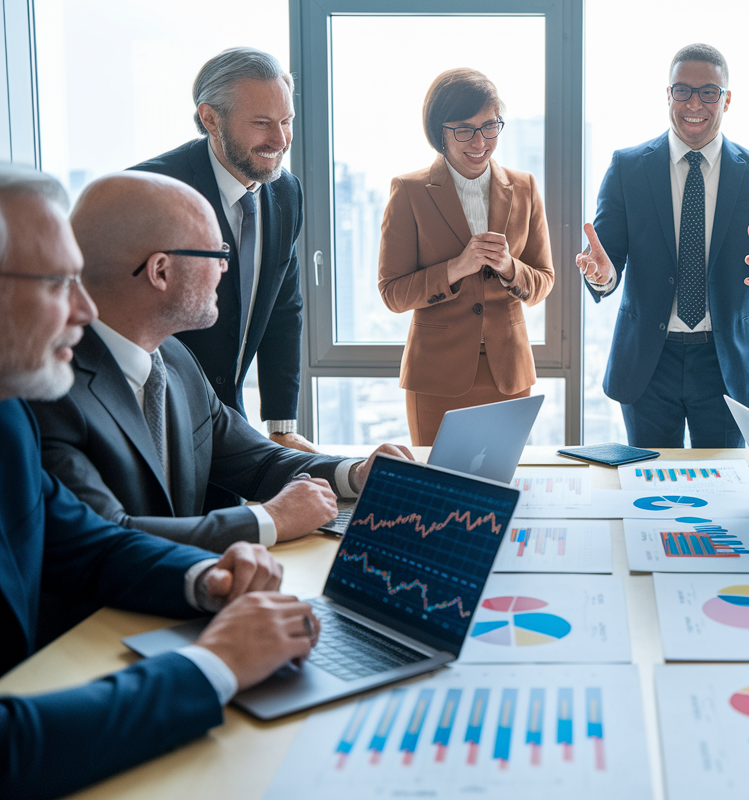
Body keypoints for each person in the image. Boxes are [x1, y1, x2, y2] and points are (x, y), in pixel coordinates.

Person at [0, 163, 321, 800]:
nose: (86, 308)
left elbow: (85, 541)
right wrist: (213, 665)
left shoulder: (8, 416)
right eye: (61, 282)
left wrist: (206, 580)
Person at [29, 172, 412, 554]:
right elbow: (107, 538)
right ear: (160, 271)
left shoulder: (174, 358)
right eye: (217, 254)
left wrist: (357, 474)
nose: (225, 269)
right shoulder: (48, 389)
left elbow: (259, 462)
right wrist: (270, 520)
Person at [577, 43, 749, 448]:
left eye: (708, 92)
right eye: (682, 90)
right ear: (668, 95)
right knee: (648, 489)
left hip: (724, 363)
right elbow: (604, 261)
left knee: (723, 491)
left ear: (727, 100)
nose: (694, 103)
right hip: (648, 361)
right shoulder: (628, 167)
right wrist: (603, 277)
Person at [131, 47, 315, 453]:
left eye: (287, 122)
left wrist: (281, 425)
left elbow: (285, 307)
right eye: (262, 123)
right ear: (211, 119)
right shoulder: (150, 191)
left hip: (229, 419)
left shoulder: (286, 191)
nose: (280, 140)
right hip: (151, 420)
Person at [378, 68, 555, 446]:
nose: (479, 141)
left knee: (504, 488)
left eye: (489, 127)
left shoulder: (524, 187)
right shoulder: (409, 191)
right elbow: (392, 293)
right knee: (438, 490)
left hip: (508, 373)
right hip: (436, 376)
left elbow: (543, 282)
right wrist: (455, 269)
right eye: (463, 129)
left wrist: (509, 267)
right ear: (438, 131)